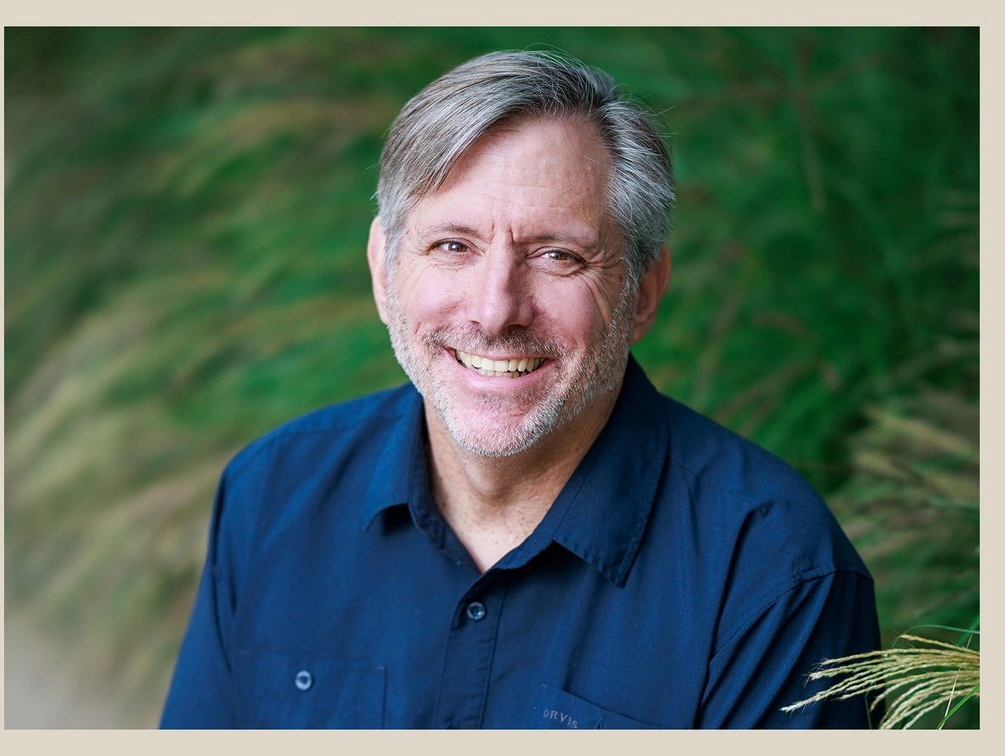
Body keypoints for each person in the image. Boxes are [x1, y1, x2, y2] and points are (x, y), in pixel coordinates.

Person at [160, 50, 881, 729]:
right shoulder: (273, 494)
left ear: (641, 293)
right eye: (453, 246)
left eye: (556, 255)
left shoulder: (776, 575)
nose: (495, 309)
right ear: (384, 271)